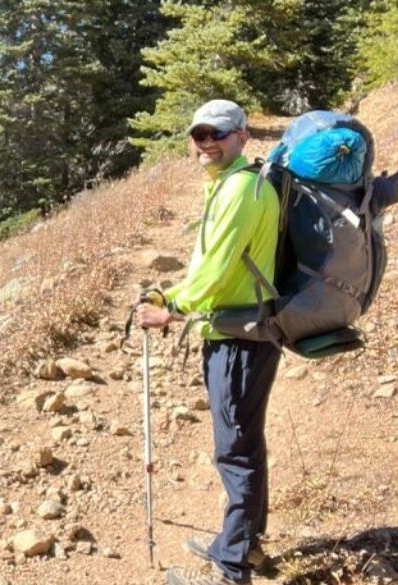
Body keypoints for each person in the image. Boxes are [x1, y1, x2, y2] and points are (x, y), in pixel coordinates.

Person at [135, 100, 281, 585]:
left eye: (218, 133)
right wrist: (171, 292)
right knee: (244, 443)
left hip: (238, 340)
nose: (207, 143)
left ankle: (230, 569)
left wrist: (170, 309)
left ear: (242, 137)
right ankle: (244, 545)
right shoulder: (229, 184)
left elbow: (217, 273)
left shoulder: (238, 189)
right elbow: (212, 267)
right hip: (242, 333)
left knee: (235, 452)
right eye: (200, 134)